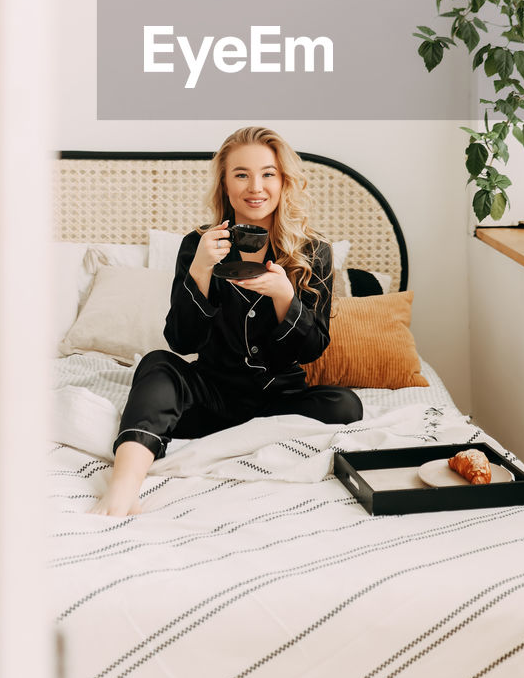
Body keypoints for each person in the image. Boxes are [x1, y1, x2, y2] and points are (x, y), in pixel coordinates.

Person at [92, 125, 363, 516]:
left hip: (279, 400)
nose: (256, 186)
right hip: (211, 395)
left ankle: (234, 438)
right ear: (225, 182)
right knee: (157, 364)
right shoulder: (197, 244)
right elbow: (182, 340)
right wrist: (201, 269)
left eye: (268, 173)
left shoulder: (313, 251)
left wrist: (285, 297)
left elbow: (312, 348)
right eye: (242, 174)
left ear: (284, 181)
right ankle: (122, 488)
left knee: (345, 405)